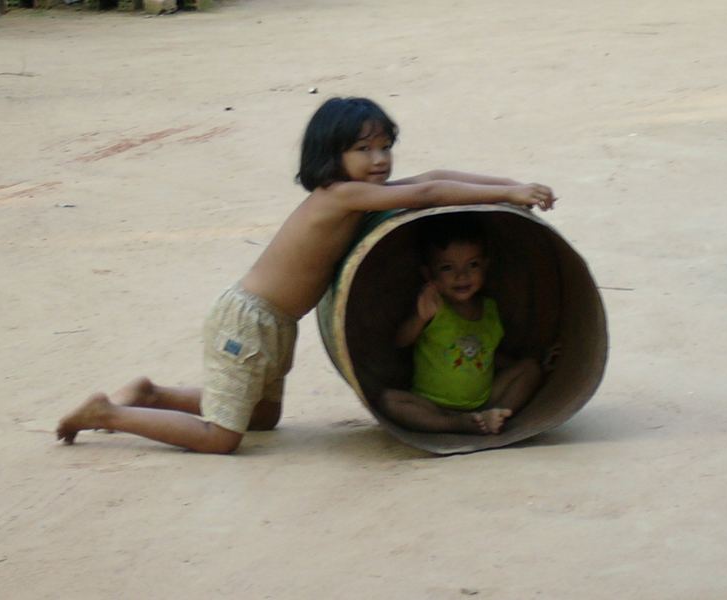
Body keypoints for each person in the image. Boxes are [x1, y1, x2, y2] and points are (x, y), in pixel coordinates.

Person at [56, 96, 557, 454]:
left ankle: (151, 394)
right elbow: (425, 196)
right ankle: (109, 414)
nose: (379, 160)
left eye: (385, 147)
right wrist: (510, 197)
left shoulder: (357, 192)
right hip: (247, 320)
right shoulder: (340, 195)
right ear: (331, 157)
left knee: (262, 419)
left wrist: (510, 185)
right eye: (364, 150)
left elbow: (429, 178)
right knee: (223, 437)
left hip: (276, 323)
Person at [380, 213, 553, 435]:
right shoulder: (433, 307)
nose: (462, 276)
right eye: (447, 268)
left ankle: (495, 415)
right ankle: (456, 424)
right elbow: (400, 341)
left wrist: (537, 363)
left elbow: (487, 354)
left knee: (530, 369)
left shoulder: (490, 310)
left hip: (484, 399)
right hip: (432, 404)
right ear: (428, 274)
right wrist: (420, 318)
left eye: (472, 265)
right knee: (389, 401)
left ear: (485, 266)